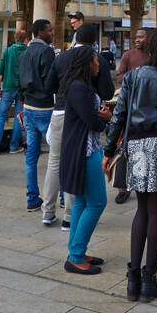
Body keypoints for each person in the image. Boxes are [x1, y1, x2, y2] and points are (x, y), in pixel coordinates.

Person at [103, 28, 157, 302]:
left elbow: (119, 114)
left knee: (141, 210)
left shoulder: (134, 77)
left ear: (147, 51)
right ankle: (150, 281)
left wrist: (109, 149)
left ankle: (133, 279)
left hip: (136, 147)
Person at [44, 23, 114, 231]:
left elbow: (49, 86)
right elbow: (108, 92)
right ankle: (69, 216)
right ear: (94, 42)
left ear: (75, 38)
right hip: (82, 114)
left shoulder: (61, 58)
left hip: (59, 112)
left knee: (55, 162)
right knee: (76, 161)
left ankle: (47, 212)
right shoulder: (95, 59)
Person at [60, 45, 112, 275]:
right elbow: (91, 122)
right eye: (95, 60)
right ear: (86, 63)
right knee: (98, 202)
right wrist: (107, 119)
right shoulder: (79, 88)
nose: (98, 64)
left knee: (81, 202)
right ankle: (76, 256)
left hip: (84, 148)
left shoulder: (80, 86)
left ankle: (77, 251)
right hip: (85, 151)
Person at [18, 19, 57, 215]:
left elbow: (19, 81)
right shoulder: (47, 52)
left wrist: (22, 106)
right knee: (58, 154)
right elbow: (50, 80)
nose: (52, 32)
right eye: (50, 30)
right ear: (41, 32)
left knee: (31, 156)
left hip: (29, 107)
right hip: (46, 108)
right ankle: (61, 197)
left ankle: (32, 198)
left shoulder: (24, 53)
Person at [112, 27, 149, 204]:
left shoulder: (153, 56)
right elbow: (119, 77)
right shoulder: (128, 55)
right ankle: (122, 188)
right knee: (123, 149)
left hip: (147, 108)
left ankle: (143, 184)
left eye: (141, 37)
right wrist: (136, 74)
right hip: (129, 106)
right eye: (136, 37)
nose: (137, 39)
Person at [0, 30, 27, 156]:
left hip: (8, 87)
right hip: (22, 89)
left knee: (1, 116)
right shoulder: (28, 51)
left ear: (15, 38)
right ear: (25, 39)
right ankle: (14, 146)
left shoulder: (8, 51)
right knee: (19, 116)